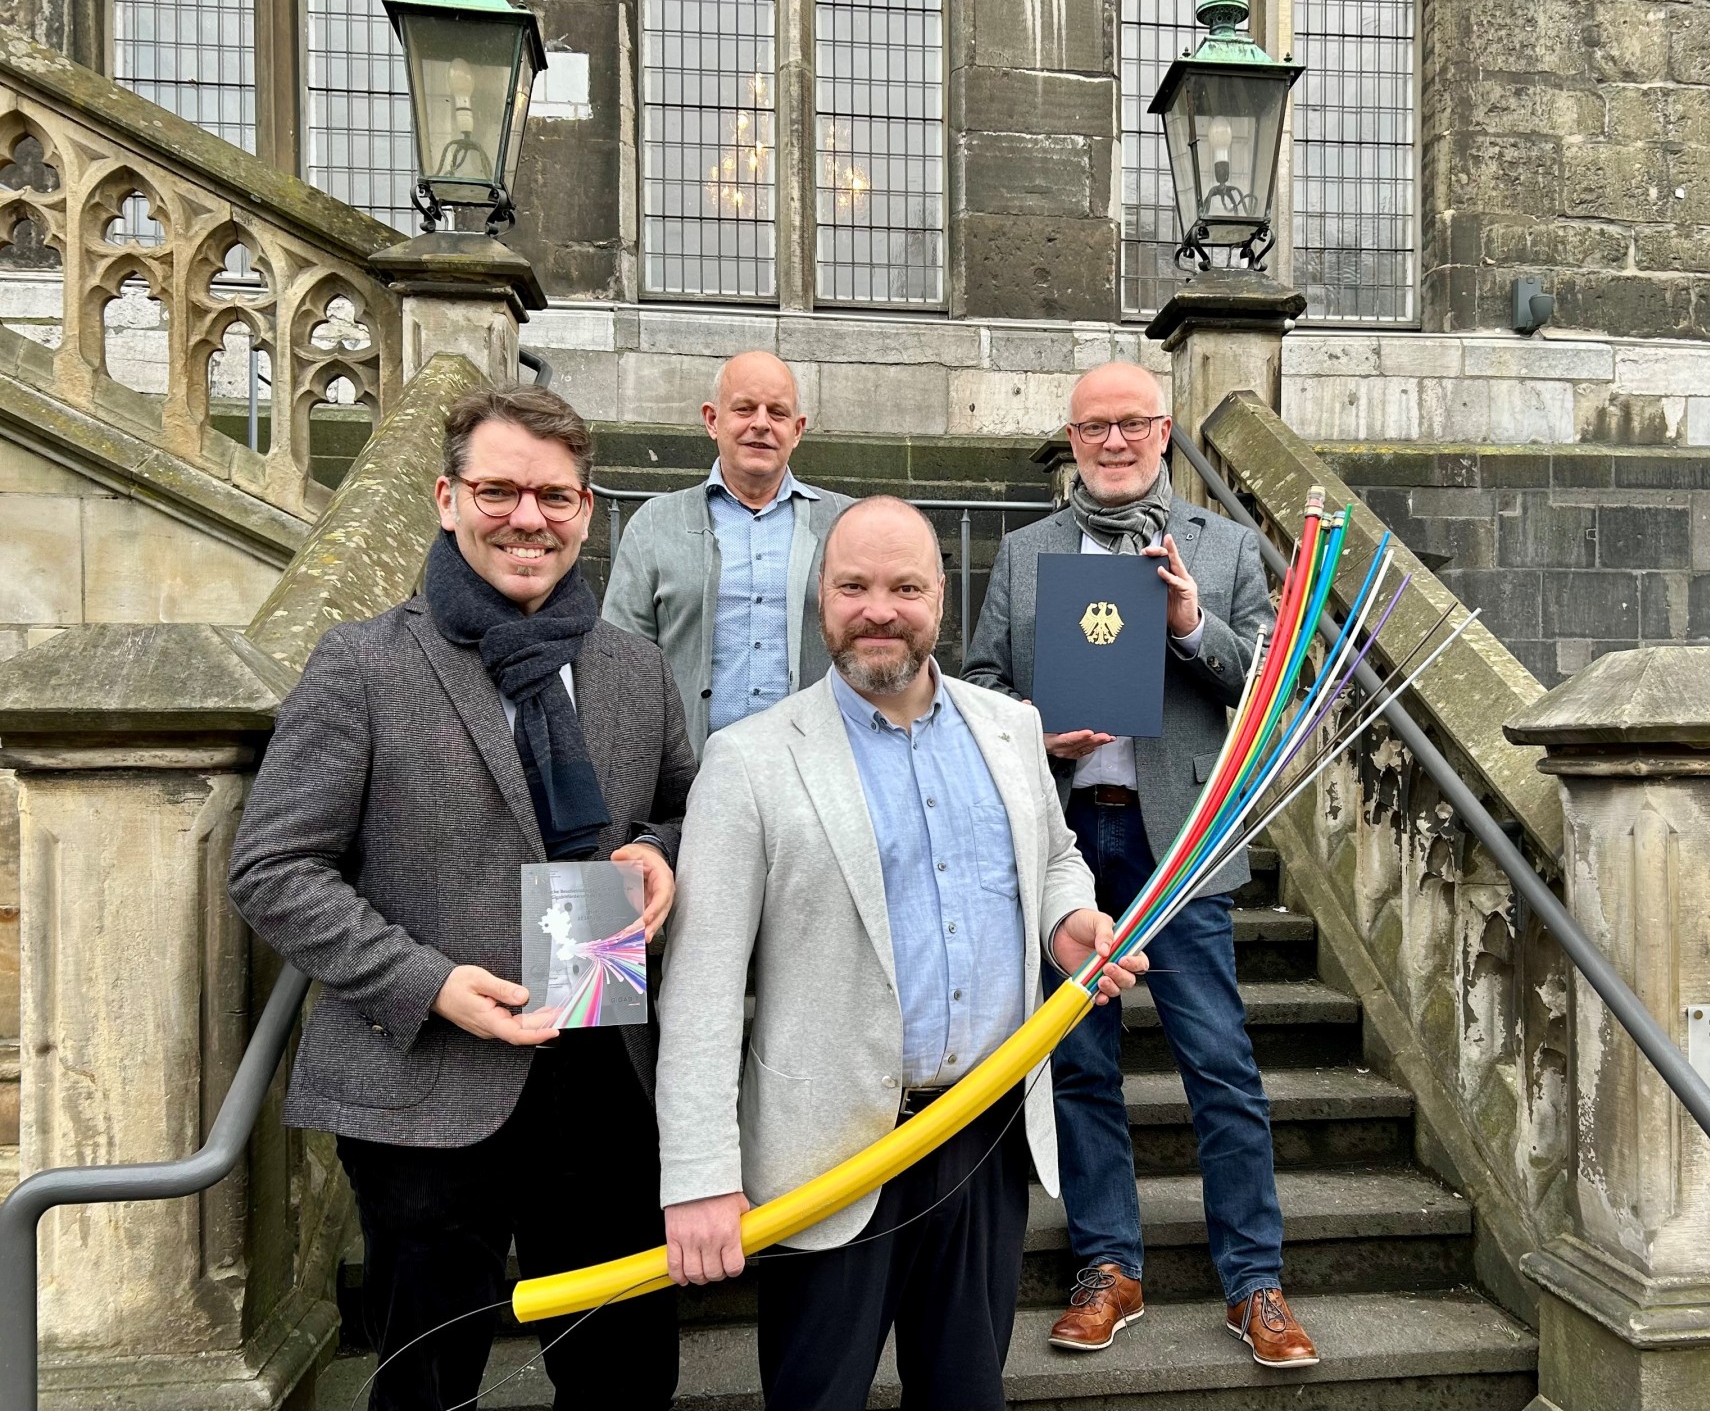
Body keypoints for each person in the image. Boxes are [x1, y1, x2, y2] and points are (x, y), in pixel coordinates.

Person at [229, 385, 693, 1411]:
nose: (528, 517)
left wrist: (660, 853)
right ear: (445, 498)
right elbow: (272, 867)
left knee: (625, 1376)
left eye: (555, 497)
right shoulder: (362, 663)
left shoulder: (632, 669)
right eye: (499, 490)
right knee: (429, 1387)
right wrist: (428, 982)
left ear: (586, 509)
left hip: (604, 1072)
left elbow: (674, 805)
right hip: (427, 1088)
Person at [653, 496, 1147, 1411]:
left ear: (942, 598)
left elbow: (1054, 859)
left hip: (984, 1138)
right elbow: (702, 989)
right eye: (854, 586)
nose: (880, 608)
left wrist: (1067, 920)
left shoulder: (1008, 728)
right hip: (828, 1155)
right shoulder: (749, 759)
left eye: (905, 587)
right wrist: (698, 1179)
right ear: (821, 597)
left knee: (965, 1395)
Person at [961, 361, 1317, 1369]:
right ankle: (1107, 1268)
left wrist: (1193, 628)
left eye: (1131, 425)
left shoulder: (1228, 549)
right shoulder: (1026, 554)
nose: (1112, 443)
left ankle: (1256, 1283)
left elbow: (1272, 694)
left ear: (1163, 433)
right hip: (1069, 840)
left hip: (1182, 841)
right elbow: (980, 692)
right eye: (1092, 428)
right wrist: (1042, 735)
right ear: (1070, 441)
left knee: (1221, 1066)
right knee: (1080, 1063)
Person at [603, 350, 852, 754]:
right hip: (687, 778)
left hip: (814, 772)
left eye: (777, 412)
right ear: (712, 420)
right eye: (744, 408)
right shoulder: (654, 524)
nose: (761, 424)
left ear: (798, 429)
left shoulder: (846, 524)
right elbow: (617, 663)